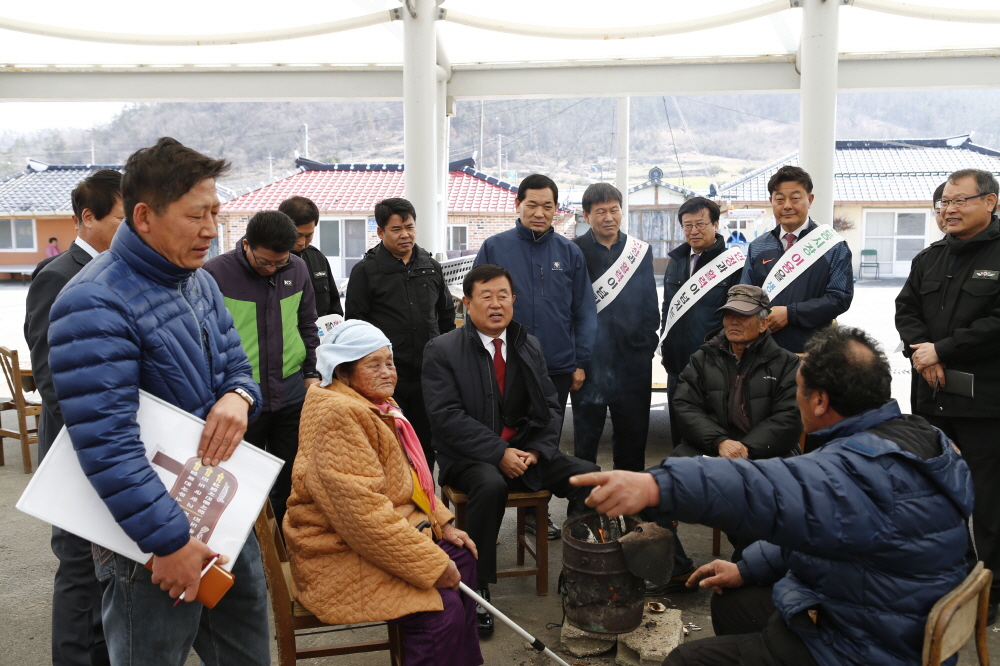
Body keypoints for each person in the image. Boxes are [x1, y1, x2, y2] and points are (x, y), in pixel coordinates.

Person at [570, 326, 973, 666]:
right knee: (735, 599)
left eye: (798, 390)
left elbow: (755, 488)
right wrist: (748, 568)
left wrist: (654, 485)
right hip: (889, 607)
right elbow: (828, 529)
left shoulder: (855, 471)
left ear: (819, 401)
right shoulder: (919, 435)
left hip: (865, 647)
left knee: (684, 660)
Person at [47, 137, 269, 666]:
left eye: (216, 212)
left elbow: (238, 367)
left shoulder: (197, 281)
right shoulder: (92, 302)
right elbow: (106, 443)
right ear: (144, 216)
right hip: (146, 538)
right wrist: (167, 541)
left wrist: (240, 397)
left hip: (219, 510)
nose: (212, 230)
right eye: (196, 216)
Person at [285, 320, 482, 666]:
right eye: (373, 364)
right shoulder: (339, 416)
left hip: (366, 534)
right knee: (440, 609)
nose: (387, 372)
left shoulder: (376, 406)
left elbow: (408, 480)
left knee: (461, 555)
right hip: (335, 550)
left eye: (389, 362)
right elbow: (363, 520)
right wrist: (431, 565)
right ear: (344, 373)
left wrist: (442, 523)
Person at [422, 264, 599, 635]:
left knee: (589, 476)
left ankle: (580, 572)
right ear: (466, 303)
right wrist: (496, 452)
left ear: (514, 301)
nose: (496, 304)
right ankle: (477, 588)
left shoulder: (527, 344)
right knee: (490, 484)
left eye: (503, 295)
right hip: (468, 456)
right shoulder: (442, 349)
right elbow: (446, 417)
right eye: (485, 296)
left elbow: (551, 406)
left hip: (523, 451)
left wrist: (536, 450)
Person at [24, 168, 124, 666]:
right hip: (74, 449)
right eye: (123, 219)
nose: (132, 232)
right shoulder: (57, 277)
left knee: (108, 568)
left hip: (106, 449)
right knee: (80, 569)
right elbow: (53, 381)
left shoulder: (114, 274)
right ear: (88, 218)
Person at [896, 167, 1000, 621]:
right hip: (931, 401)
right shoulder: (929, 257)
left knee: (989, 504)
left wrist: (944, 349)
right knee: (937, 494)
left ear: (990, 202)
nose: (950, 209)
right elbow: (907, 309)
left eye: (960, 200)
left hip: (985, 406)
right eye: (944, 202)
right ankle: (946, 577)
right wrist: (925, 352)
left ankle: (990, 592)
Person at [204, 210, 320, 526]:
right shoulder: (215, 275)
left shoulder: (296, 269)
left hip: (291, 393)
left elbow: (307, 324)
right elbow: (206, 339)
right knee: (240, 484)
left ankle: (286, 551)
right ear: (246, 245)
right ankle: (252, 555)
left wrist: (311, 373)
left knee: (292, 481)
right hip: (241, 398)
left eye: (279, 263)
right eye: (265, 262)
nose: (272, 269)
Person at [672, 285, 801, 561]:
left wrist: (746, 448)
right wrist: (719, 441)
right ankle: (676, 568)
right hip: (711, 446)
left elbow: (789, 418)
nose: (733, 322)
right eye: (729, 315)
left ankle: (747, 571)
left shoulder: (787, 364)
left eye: (743, 316)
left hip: (764, 453)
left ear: (765, 321)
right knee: (651, 492)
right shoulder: (703, 357)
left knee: (748, 503)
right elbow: (684, 405)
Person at [473, 173, 596, 421]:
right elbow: (476, 307)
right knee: (508, 435)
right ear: (518, 205)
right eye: (532, 205)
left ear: (556, 210)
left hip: (557, 365)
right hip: (507, 363)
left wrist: (580, 362)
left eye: (547, 206)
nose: (539, 213)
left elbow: (584, 310)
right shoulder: (494, 248)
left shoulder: (570, 252)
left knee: (549, 438)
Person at [347, 197, 455, 471]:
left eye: (409, 226)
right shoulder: (366, 271)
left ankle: (428, 508)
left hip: (428, 375)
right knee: (388, 447)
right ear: (381, 232)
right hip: (386, 377)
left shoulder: (430, 266)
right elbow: (355, 327)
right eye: (396, 229)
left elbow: (445, 320)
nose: (405, 234)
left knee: (425, 445)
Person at [571, 182, 658, 472]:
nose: (609, 217)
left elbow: (650, 305)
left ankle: (633, 510)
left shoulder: (639, 251)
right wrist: (578, 359)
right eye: (600, 211)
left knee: (633, 437)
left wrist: (645, 348)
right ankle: (584, 511)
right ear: (586, 215)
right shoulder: (574, 251)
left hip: (633, 362)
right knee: (585, 439)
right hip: (590, 362)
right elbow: (570, 309)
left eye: (614, 210)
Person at [740, 165, 854, 353]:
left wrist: (790, 313)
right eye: (779, 199)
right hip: (764, 352)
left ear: (810, 200)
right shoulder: (758, 246)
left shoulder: (833, 246)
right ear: (771, 201)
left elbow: (840, 298)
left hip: (813, 353)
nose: (787, 205)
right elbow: (745, 297)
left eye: (795, 198)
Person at [660, 197, 744, 446]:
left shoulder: (733, 265)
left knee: (713, 433)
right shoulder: (676, 263)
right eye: (687, 225)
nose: (693, 231)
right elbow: (668, 308)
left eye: (700, 224)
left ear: (716, 224)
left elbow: (737, 317)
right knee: (679, 429)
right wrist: (666, 345)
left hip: (716, 366)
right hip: (677, 364)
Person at [278, 195, 344, 317]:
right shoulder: (268, 261)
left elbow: (334, 305)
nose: (302, 243)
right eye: (297, 235)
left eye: (309, 236)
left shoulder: (318, 258)